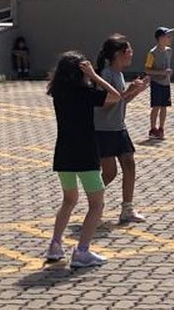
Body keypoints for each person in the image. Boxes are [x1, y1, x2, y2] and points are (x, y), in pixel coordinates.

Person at [44, 52, 141, 268]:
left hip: (63, 154)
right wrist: (95, 77)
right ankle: (82, 251)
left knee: (69, 200)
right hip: (85, 154)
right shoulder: (85, 93)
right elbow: (115, 96)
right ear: (80, 72)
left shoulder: (59, 93)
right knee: (97, 204)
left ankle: (55, 245)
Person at [95, 35, 149, 225]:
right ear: (118, 54)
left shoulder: (118, 73)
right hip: (104, 130)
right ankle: (95, 203)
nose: (131, 53)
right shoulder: (106, 74)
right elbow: (105, 103)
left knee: (129, 164)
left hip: (119, 127)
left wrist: (136, 91)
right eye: (128, 50)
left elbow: (121, 102)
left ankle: (127, 209)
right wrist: (129, 90)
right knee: (110, 173)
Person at [145, 27, 174, 140]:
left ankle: (161, 128)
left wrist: (168, 73)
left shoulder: (169, 51)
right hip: (156, 83)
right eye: (168, 36)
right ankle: (153, 129)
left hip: (166, 83)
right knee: (156, 106)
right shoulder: (152, 53)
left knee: (164, 106)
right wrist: (161, 72)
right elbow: (147, 70)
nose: (170, 38)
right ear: (161, 38)